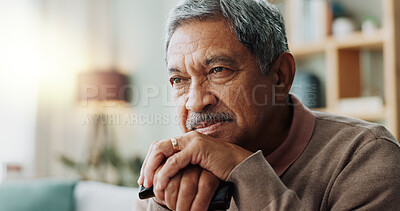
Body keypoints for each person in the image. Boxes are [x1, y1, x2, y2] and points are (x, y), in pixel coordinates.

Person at [137, 0, 400, 210]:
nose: (195, 101)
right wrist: (164, 202)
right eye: (178, 80)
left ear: (280, 77)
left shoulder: (365, 158)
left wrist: (243, 170)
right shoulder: (173, 173)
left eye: (218, 70)